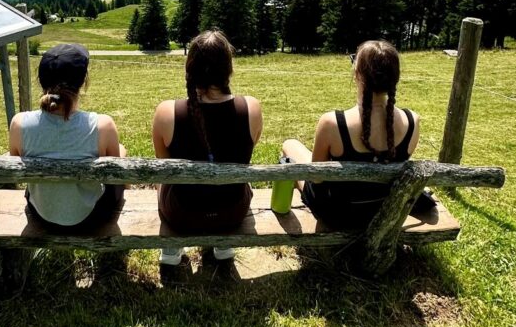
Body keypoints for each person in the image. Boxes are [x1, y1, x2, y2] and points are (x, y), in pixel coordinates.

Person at [281, 39, 421, 229]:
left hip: (337, 214)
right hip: (382, 211)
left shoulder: (332, 123)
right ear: (395, 77)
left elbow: (317, 178)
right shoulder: (413, 121)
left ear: (357, 74)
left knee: (290, 145)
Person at [151, 30, 263, 264]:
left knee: (162, 183)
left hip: (182, 214)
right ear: (228, 68)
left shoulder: (166, 112)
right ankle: (223, 244)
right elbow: (248, 149)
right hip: (232, 212)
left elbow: (164, 167)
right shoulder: (252, 108)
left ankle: (171, 248)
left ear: (189, 68)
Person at [9, 43, 126, 232]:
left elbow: (14, 166)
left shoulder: (19, 124)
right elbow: (117, 178)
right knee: (121, 151)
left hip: (42, 217)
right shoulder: (103, 126)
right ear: (83, 81)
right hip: (90, 218)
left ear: (41, 81)